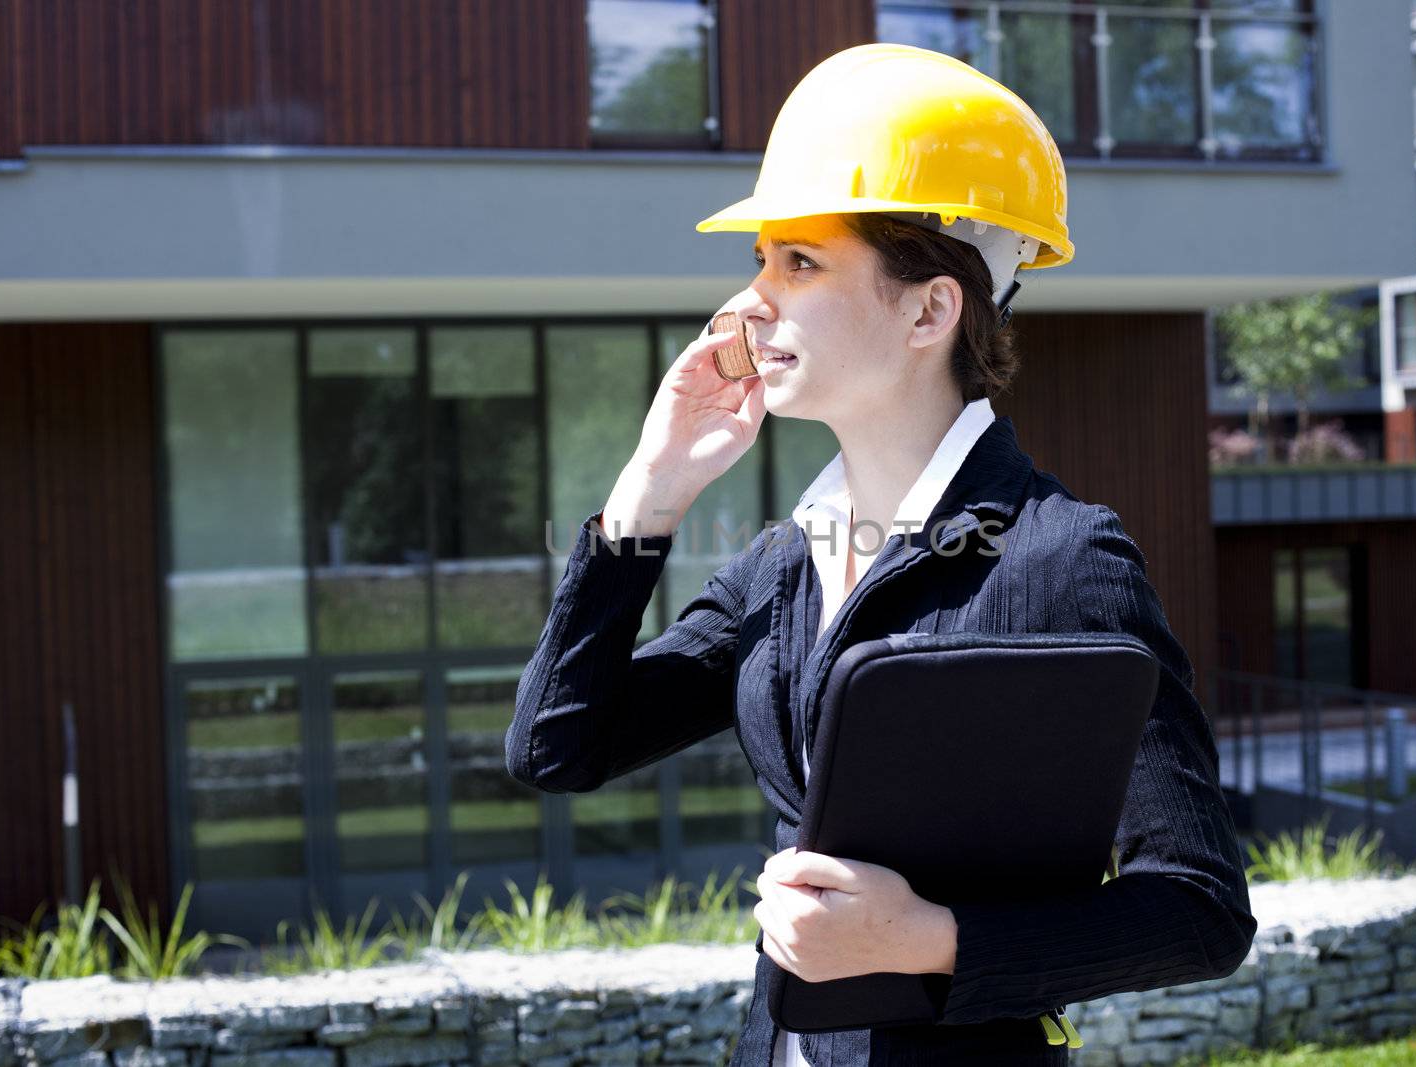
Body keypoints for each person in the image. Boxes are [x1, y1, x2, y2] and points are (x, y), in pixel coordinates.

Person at [503, 43, 1256, 1067]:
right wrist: (653, 487)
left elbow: (1199, 907)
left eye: (799, 262)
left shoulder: (1060, 559)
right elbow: (558, 745)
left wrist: (930, 940)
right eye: (759, 260)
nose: (752, 299)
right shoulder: (783, 567)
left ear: (928, 308)